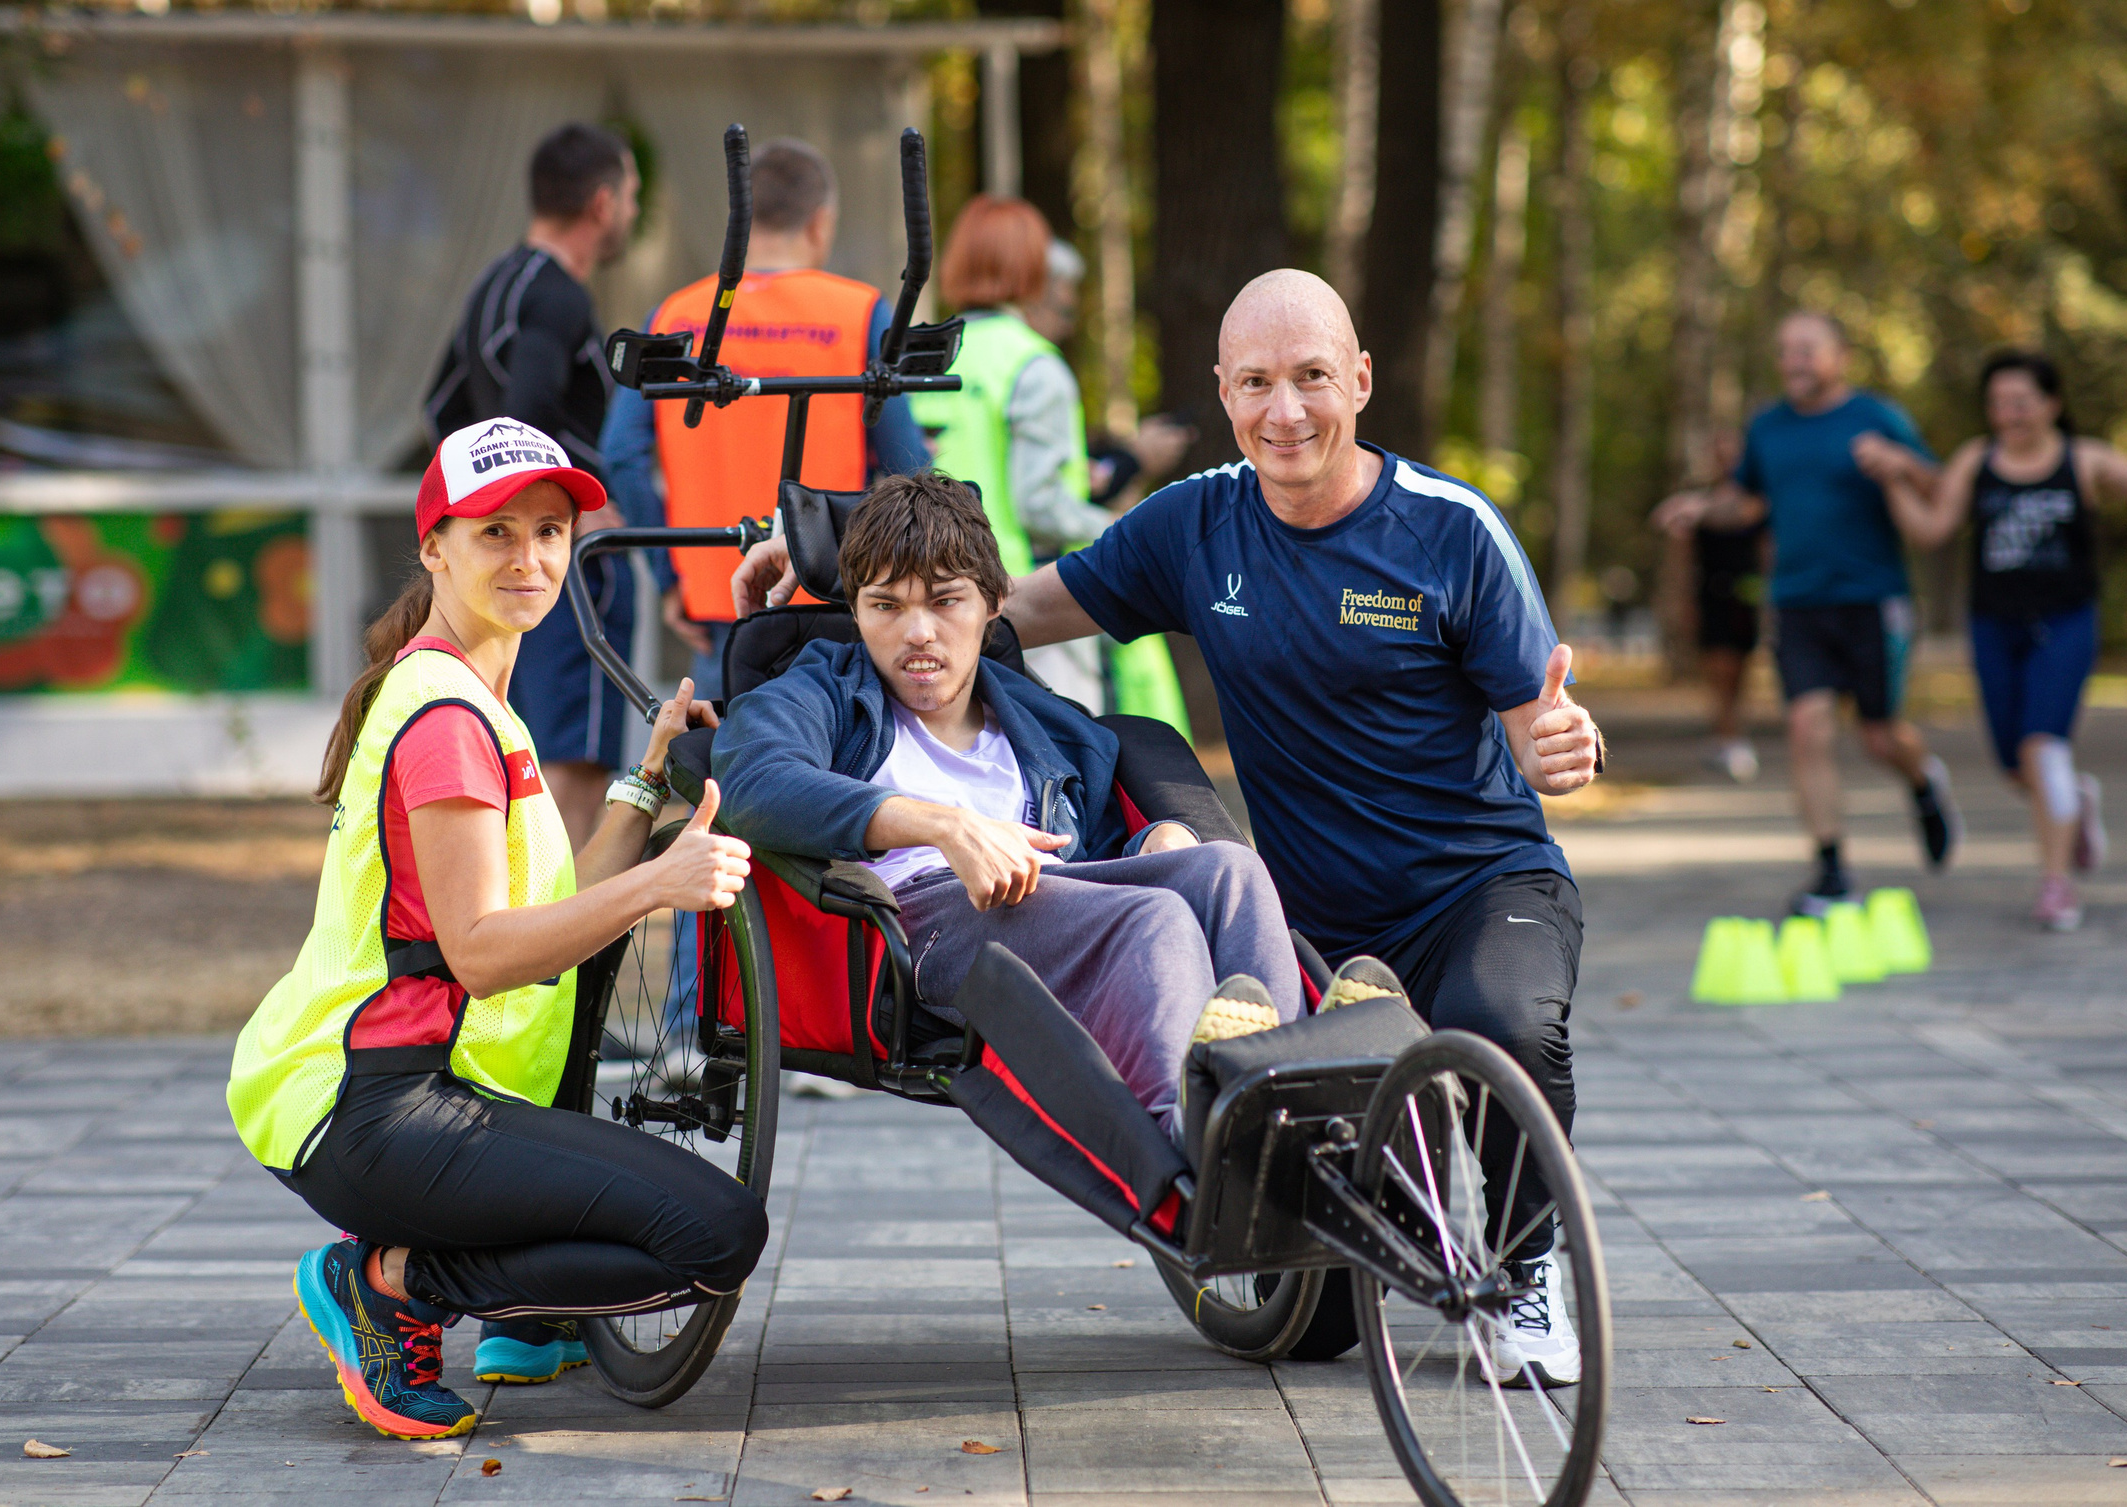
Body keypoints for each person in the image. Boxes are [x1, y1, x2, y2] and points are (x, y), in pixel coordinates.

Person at [733, 268, 1604, 1386]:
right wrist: (824, 556)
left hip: (1476, 885)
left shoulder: (1452, 530)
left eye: (1311, 378)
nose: (1285, 411)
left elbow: (1542, 730)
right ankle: (1273, 1140)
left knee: (1485, 1015)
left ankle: (1522, 1267)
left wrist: (1562, 747)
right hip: (1311, 914)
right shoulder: (1196, 524)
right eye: (1257, 383)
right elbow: (1006, 596)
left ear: (1360, 381)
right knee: (1312, 1327)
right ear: (1224, 390)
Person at [226, 418, 765, 1441]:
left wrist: (647, 779)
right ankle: (391, 1280)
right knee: (717, 1235)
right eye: (496, 533)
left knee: (695, 1224)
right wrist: (660, 885)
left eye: (550, 532)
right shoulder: (446, 718)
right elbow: (482, 952)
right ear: (434, 547)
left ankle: (472, 1293)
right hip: (379, 1106)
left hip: (404, 1095)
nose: (529, 559)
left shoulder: (465, 693)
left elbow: (549, 906)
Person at [711, 470, 1397, 1134]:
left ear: (993, 604)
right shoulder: (820, 691)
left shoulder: (1045, 722)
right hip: (922, 926)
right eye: (886, 606)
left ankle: (1296, 1089)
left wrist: (1154, 842)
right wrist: (944, 826)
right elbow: (752, 782)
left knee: (1228, 869)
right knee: (1155, 917)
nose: (917, 632)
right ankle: (1188, 1132)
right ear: (856, 611)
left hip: (1061, 902)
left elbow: (1097, 846)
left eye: (945, 601)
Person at [1856, 351, 2127, 930]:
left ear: (2051, 404)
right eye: (1998, 403)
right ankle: (2078, 800)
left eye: (2021, 402)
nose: (2008, 414)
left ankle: (2056, 884)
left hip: (2065, 623)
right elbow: (1931, 530)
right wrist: (1894, 480)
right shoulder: (1975, 460)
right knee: (2015, 767)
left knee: (2041, 748)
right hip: (1994, 628)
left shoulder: (2084, 459)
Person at [601, 137, 931, 699]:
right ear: (820, 223)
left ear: (742, 221)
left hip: (721, 599)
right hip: (833, 592)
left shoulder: (677, 315)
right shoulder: (860, 312)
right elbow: (908, 464)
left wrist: (668, 575)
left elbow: (621, 454)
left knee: (727, 751)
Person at [1654, 311, 1958, 915]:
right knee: (1806, 725)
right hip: (1796, 601)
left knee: (1879, 735)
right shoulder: (1767, 427)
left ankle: (1925, 782)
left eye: (1807, 349)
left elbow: (1939, 486)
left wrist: (1899, 464)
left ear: (1841, 356)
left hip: (1872, 599)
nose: (1793, 361)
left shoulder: (1877, 416)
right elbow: (1746, 504)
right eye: (1785, 349)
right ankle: (1831, 870)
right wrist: (1702, 508)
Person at [425, 123, 642, 846]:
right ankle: (563, 912)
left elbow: (441, 410)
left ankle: (521, 898)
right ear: (603, 204)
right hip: (568, 564)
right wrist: (573, 509)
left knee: (519, 743)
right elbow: (527, 409)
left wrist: (478, 521)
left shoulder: (493, 286)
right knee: (572, 762)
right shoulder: (559, 297)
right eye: (632, 195)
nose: (633, 211)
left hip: (500, 559)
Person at [911, 198, 1187, 732]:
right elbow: (1040, 505)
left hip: (925, 592)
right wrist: (1128, 531)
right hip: (1020, 600)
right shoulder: (1032, 362)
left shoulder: (926, 354)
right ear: (1031, 269)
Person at [1658, 433, 1767, 783]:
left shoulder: (1755, 502)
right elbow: (1682, 557)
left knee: (1740, 672)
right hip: (1711, 595)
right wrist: (1682, 601)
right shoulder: (1696, 504)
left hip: (1746, 597)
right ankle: (1728, 737)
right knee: (1719, 670)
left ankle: (1731, 735)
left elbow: (1765, 549)